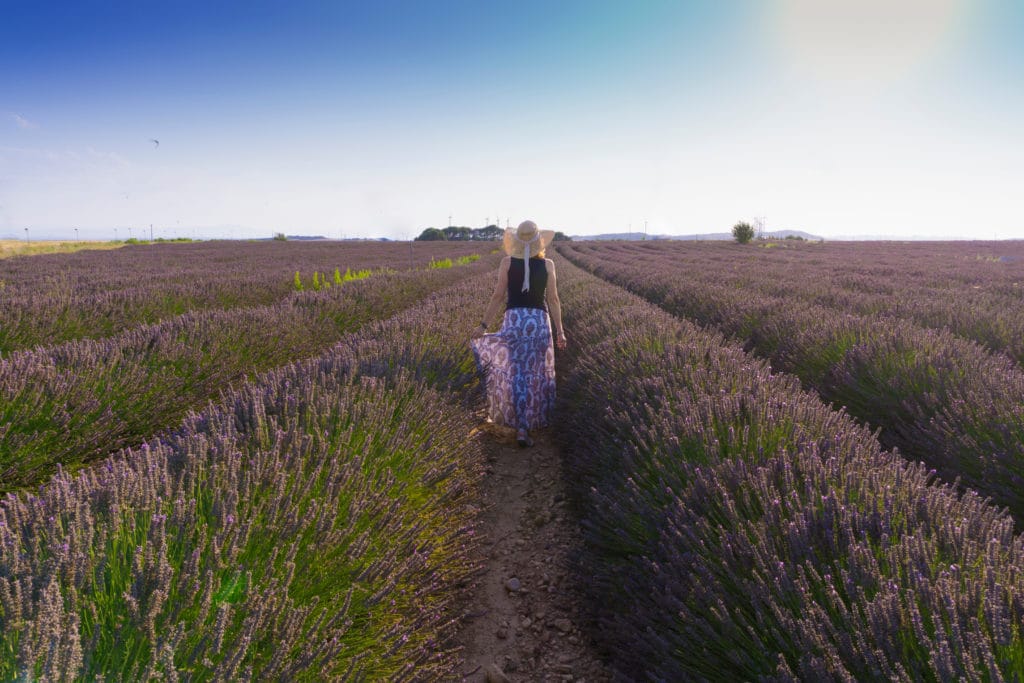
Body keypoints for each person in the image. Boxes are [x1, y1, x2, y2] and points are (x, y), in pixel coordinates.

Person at [471, 220, 567, 447]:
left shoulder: (507, 262)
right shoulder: (549, 265)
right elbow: (553, 300)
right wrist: (560, 331)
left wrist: (483, 326)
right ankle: (534, 422)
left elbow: (497, 296)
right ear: (540, 242)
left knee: (517, 373)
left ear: (516, 242)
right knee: (536, 373)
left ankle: (520, 426)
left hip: (515, 321)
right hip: (538, 322)